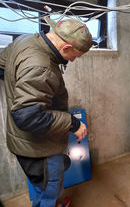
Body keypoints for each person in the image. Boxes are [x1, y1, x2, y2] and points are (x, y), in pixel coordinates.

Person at [0, 16, 92, 207]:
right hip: (39, 147)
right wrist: (72, 123)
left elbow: (3, 65)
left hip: (25, 141)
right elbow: (27, 116)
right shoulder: (41, 67)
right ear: (65, 47)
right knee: (50, 190)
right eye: (75, 55)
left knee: (44, 186)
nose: (74, 60)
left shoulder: (26, 41)